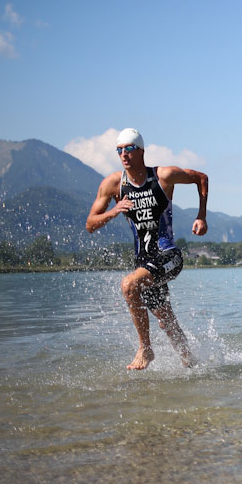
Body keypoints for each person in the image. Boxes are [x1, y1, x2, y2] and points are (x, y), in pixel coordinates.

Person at [86, 128, 210, 370]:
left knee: (128, 285)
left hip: (168, 256)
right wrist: (114, 210)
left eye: (129, 149)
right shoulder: (114, 184)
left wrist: (201, 216)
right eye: (119, 150)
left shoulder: (163, 176)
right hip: (144, 263)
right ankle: (192, 364)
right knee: (166, 321)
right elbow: (91, 223)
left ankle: (145, 348)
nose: (124, 155)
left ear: (141, 151)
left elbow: (201, 177)